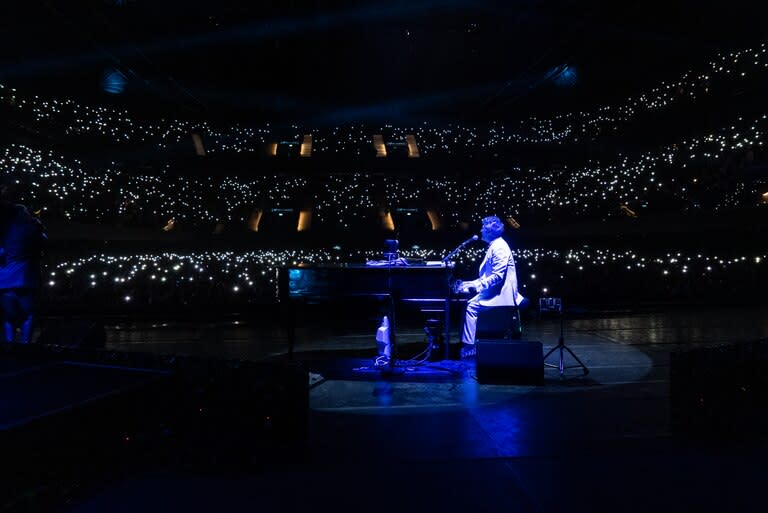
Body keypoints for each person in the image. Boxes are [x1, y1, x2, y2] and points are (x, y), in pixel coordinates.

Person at [458, 215, 525, 358]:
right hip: (495, 291)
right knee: (468, 303)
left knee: (471, 306)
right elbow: (486, 277)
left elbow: (497, 276)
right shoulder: (495, 245)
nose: (481, 230)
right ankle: (469, 343)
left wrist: (476, 287)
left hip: (501, 294)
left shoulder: (499, 247)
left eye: (483, 227)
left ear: (489, 230)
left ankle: (469, 346)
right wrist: (470, 284)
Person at [0, 186, 47, 344]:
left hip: (4, 280)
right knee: (29, 314)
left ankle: (9, 345)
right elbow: (43, 243)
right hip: (26, 278)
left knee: (8, 316)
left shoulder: (4, 230)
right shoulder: (32, 225)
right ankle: (26, 346)